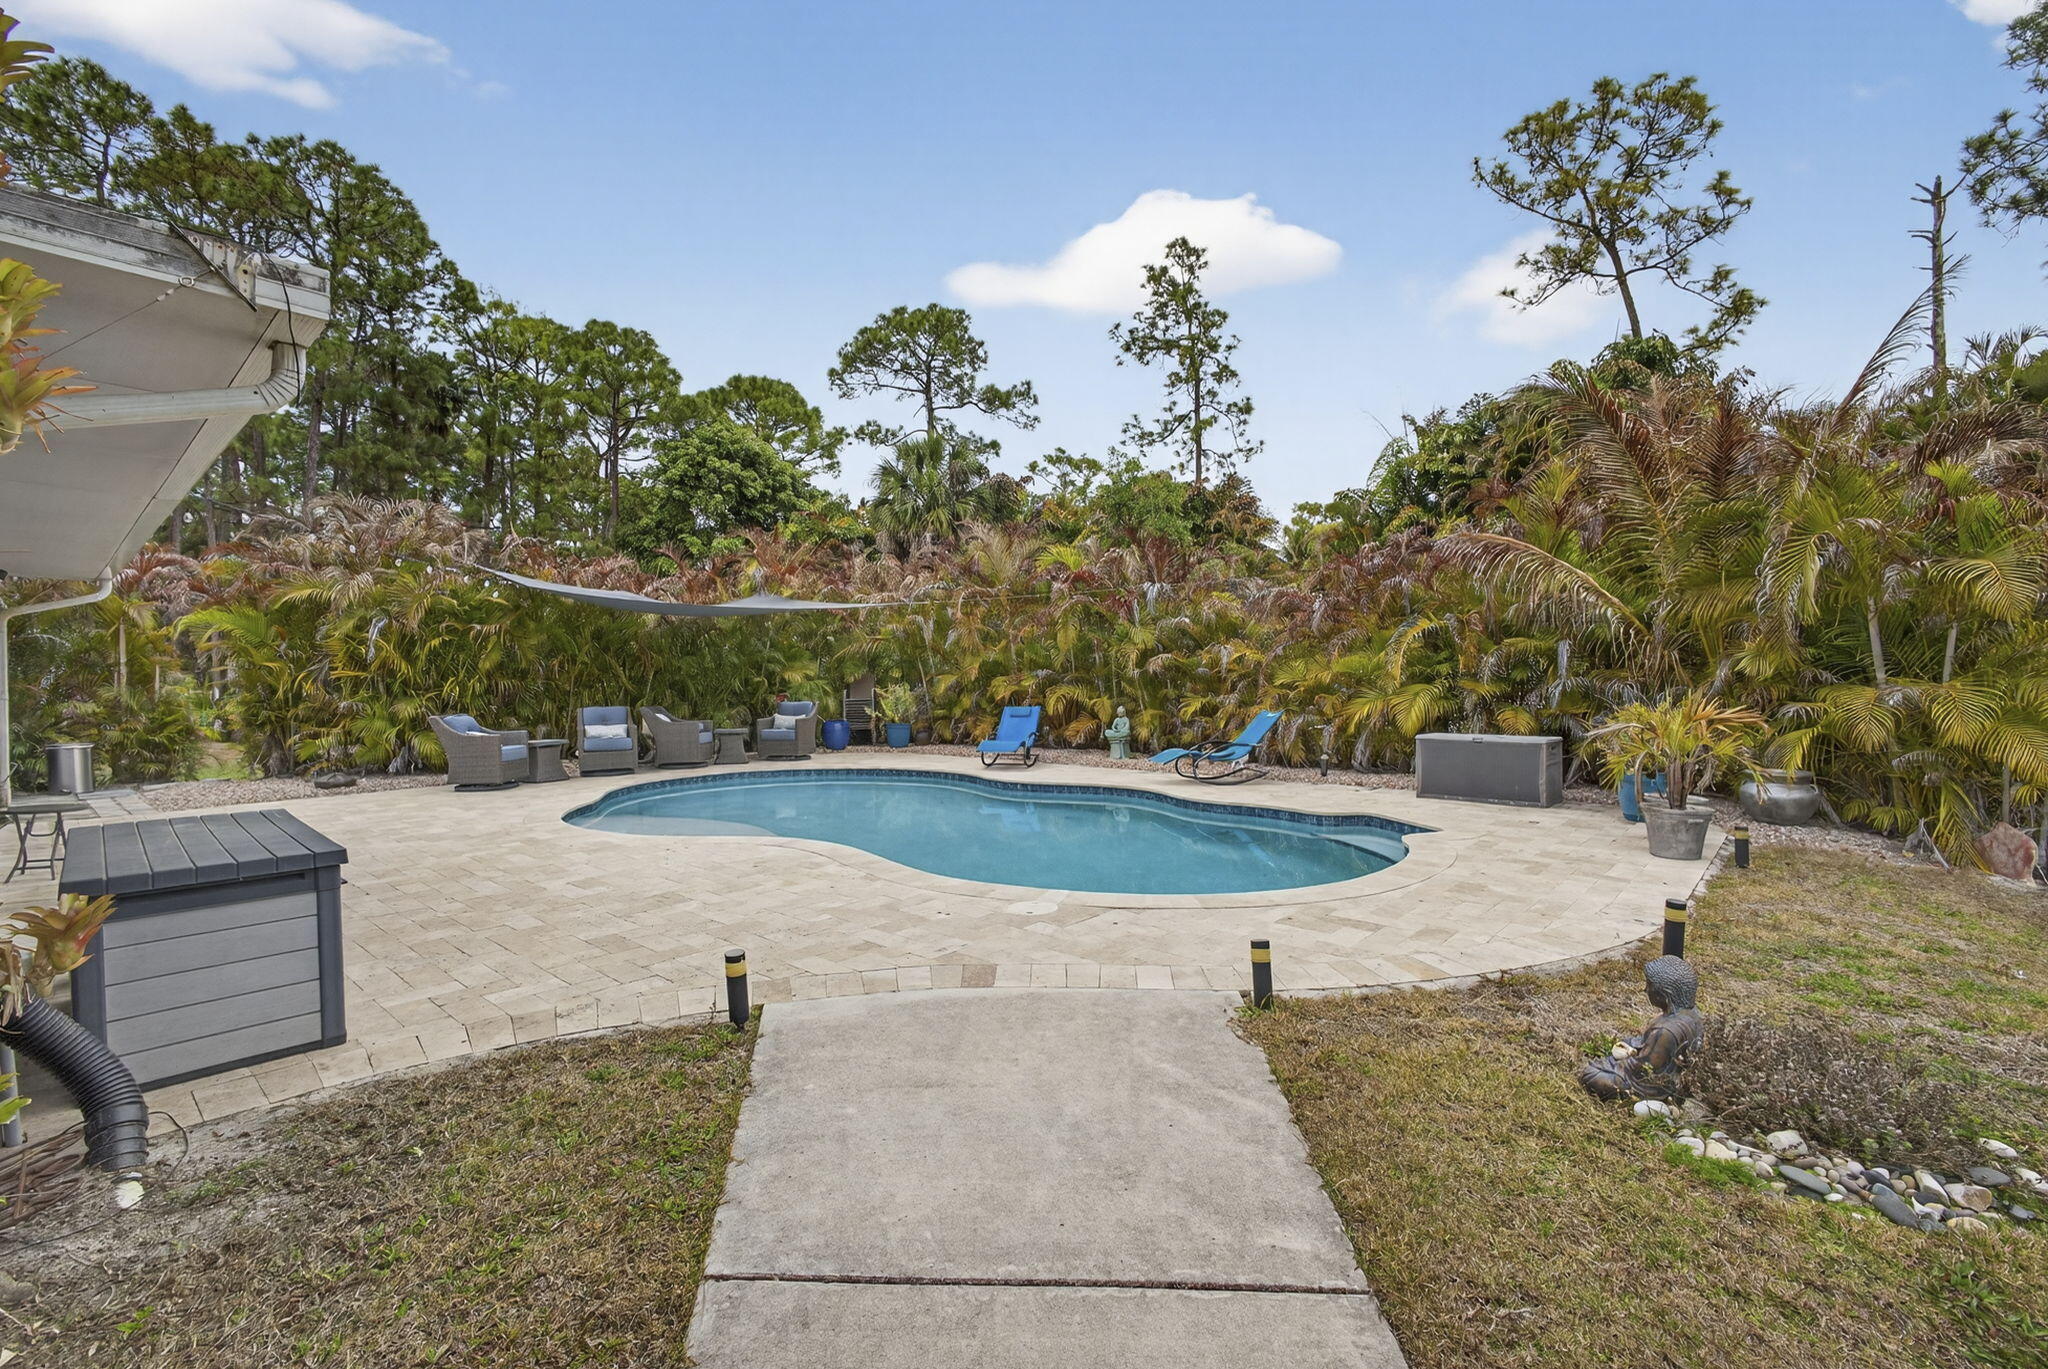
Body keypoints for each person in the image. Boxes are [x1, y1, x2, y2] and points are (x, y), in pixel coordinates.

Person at [1579, 956, 1703, 1102]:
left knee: (1591, 1075)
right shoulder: (1692, 1013)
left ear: (1664, 993)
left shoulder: (1665, 1031)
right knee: (1625, 1045)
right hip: (1670, 1071)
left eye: (1649, 985)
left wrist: (1616, 1061)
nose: (1645, 990)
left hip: (1654, 1087)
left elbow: (1643, 1071)